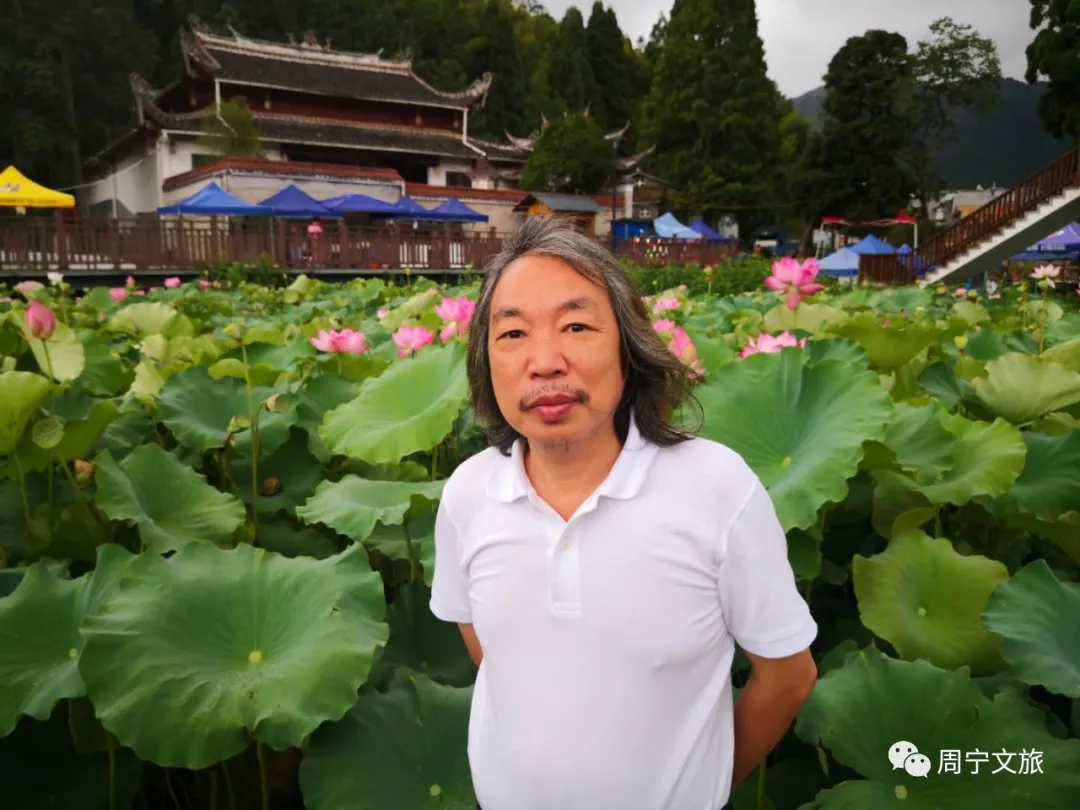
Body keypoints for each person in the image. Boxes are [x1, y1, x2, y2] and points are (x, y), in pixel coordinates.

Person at [430, 216, 818, 810]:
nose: (544, 362)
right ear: (486, 363)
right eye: (512, 335)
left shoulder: (716, 488)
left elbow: (788, 678)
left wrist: (706, 784)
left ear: (628, 348)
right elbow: (490, 653)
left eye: (577, 325)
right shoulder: (466, 494)